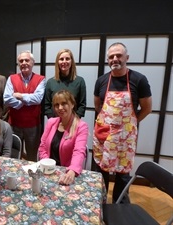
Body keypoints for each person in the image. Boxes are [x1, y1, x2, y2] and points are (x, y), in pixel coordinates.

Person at [93, 42, 152, 203]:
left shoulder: (138, 80)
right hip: (104, 136)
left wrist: (130, 124)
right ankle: (100, 203)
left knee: (123, 175)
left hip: (125, 139)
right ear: (107, 60)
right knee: (101, 173)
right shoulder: (101, 81)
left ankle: (119, 206)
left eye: (118, 55)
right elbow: (98, 106)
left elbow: (147, 108)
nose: (115, 59)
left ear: (127, 57)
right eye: (111, 56)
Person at [38, 90, 88, 185]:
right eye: (56, 105)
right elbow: (42, 147)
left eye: (64, 104)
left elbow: (79, 151)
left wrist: (72, 170)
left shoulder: (81, 126)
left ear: (72, 104)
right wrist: (48, 165)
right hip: (48, 171)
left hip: (67, 173)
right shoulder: (51, 122)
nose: (60, 108)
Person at [3, 50, 45, 162]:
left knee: (32, 156)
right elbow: (7, 99)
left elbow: (38, 99)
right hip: (14, 124)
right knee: (14, 155)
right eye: (21, 61)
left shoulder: (40, 79)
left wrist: (19, 96)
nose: (24, 63)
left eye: (27, 60)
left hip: (33, 125)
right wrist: (25, 102)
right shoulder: (11, 78)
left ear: (33, 62)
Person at [45, 49, 86, 119]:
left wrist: (74, 121)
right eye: (61, 59)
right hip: (55, 123)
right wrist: (54, 120)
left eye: (67, 59)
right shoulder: (50, 82)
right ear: (57, 62)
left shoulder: (80, 81)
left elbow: (82, 105)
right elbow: (46, 106)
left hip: (73, 122)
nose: (64, 61)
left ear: (72, 61)